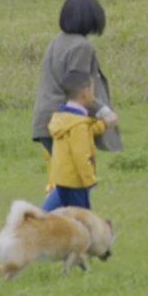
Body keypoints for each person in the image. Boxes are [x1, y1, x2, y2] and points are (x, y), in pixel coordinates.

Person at [32, 0, 123, 170]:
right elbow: (77, 87)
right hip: (67, 122)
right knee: (76, 182)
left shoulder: (57, 41)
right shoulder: (82, 47)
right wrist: (104, 112)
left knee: (65, 181)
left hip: (46, 120)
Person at [41, 71, 118, 211]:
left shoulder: (64, 119)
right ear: (86, 92)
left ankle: (40, 220)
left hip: (61, 180)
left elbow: (86, 130)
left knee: (58, 213)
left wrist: (104, 124)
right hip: (77, 183)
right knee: (83, 219)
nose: (93, 95)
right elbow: (81, 156)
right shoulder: (79, 126)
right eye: (93, 90)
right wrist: (90, 181)